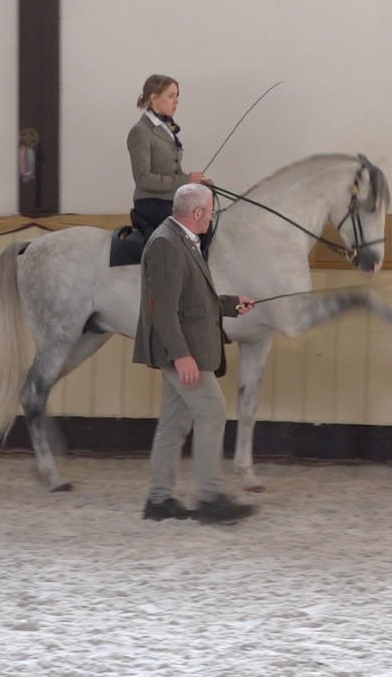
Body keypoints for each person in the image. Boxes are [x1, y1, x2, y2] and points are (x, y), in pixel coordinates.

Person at [132, 184, 257, 524]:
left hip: (186, 346)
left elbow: (193, 299)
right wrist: (181, 356)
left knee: (173, 423)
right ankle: (209, 497)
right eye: (210, 210)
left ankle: (158, 500)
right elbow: (163, 311)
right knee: (212, 411)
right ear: (197, 213)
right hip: (182, 350)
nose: (212, 216)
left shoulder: (181, 240)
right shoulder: (166, 245)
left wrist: (231, 304)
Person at [126, 74, 212, 242]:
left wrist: (195, 185)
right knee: (194, 222)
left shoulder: (167, 128)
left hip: (170, 199)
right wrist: (184, 180)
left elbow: (174, 171)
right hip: (151, 203)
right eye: (171, 96)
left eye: (177, 96)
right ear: (154, 98)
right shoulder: (141, 132)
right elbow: (143, 179)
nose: (176, 101)